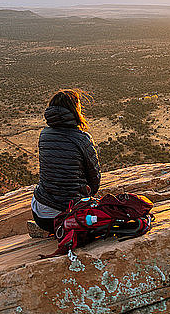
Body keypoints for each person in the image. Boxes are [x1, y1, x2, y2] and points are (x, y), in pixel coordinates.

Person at [32, 89, 101, 233]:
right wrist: (86, 196)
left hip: (39, 214)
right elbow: (94, 180)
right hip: (64, 217)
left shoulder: (44, 135)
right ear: (75, 110)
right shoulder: (82, 138)